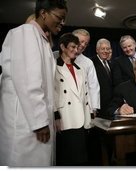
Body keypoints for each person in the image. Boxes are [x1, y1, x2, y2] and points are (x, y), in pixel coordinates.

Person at [0, 0, 67, 166]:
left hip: (35, 120)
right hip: (26, 123)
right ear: (43, 13)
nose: (62, 22)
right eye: (59, 17)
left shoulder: (41, 40)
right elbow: (29, 79)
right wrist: (39, 122)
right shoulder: (26, 32)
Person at [54, 33, 92, 166]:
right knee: (67, 159)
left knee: (81, 159)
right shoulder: (54, 66)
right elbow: (51, 93)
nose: (76, 50)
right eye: (72, 47)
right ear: (63, 47)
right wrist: (55, 116)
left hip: (81, 117)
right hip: (64, 119)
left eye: (77, 47)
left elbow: (86, 95)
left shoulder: (80, 69)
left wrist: (89, 117)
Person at [73, 29, 100, 117]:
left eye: (86, 43)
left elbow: (93, 87)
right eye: (81, 41)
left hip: (82, 106)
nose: (83, 45)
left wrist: (94, 108)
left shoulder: (88, 62)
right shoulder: (56, 56)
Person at [91, 38, 113, 118]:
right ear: (97, 50)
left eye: (107, 49)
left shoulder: (110, 63)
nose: (105, 51)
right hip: (98, 106)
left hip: (110, 107)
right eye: (103, 48)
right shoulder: (91, 62)